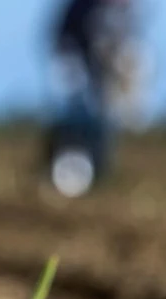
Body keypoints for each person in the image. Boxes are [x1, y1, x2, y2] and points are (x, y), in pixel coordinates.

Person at [43, 0, 140, 189]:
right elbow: (74, 40)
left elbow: (116, 42)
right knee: (74, 114)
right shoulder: (85, 8)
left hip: (95, 65)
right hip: (74, 58)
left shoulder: (121, 12)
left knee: (103, 117)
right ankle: (63, 165)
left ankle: (99, 169)